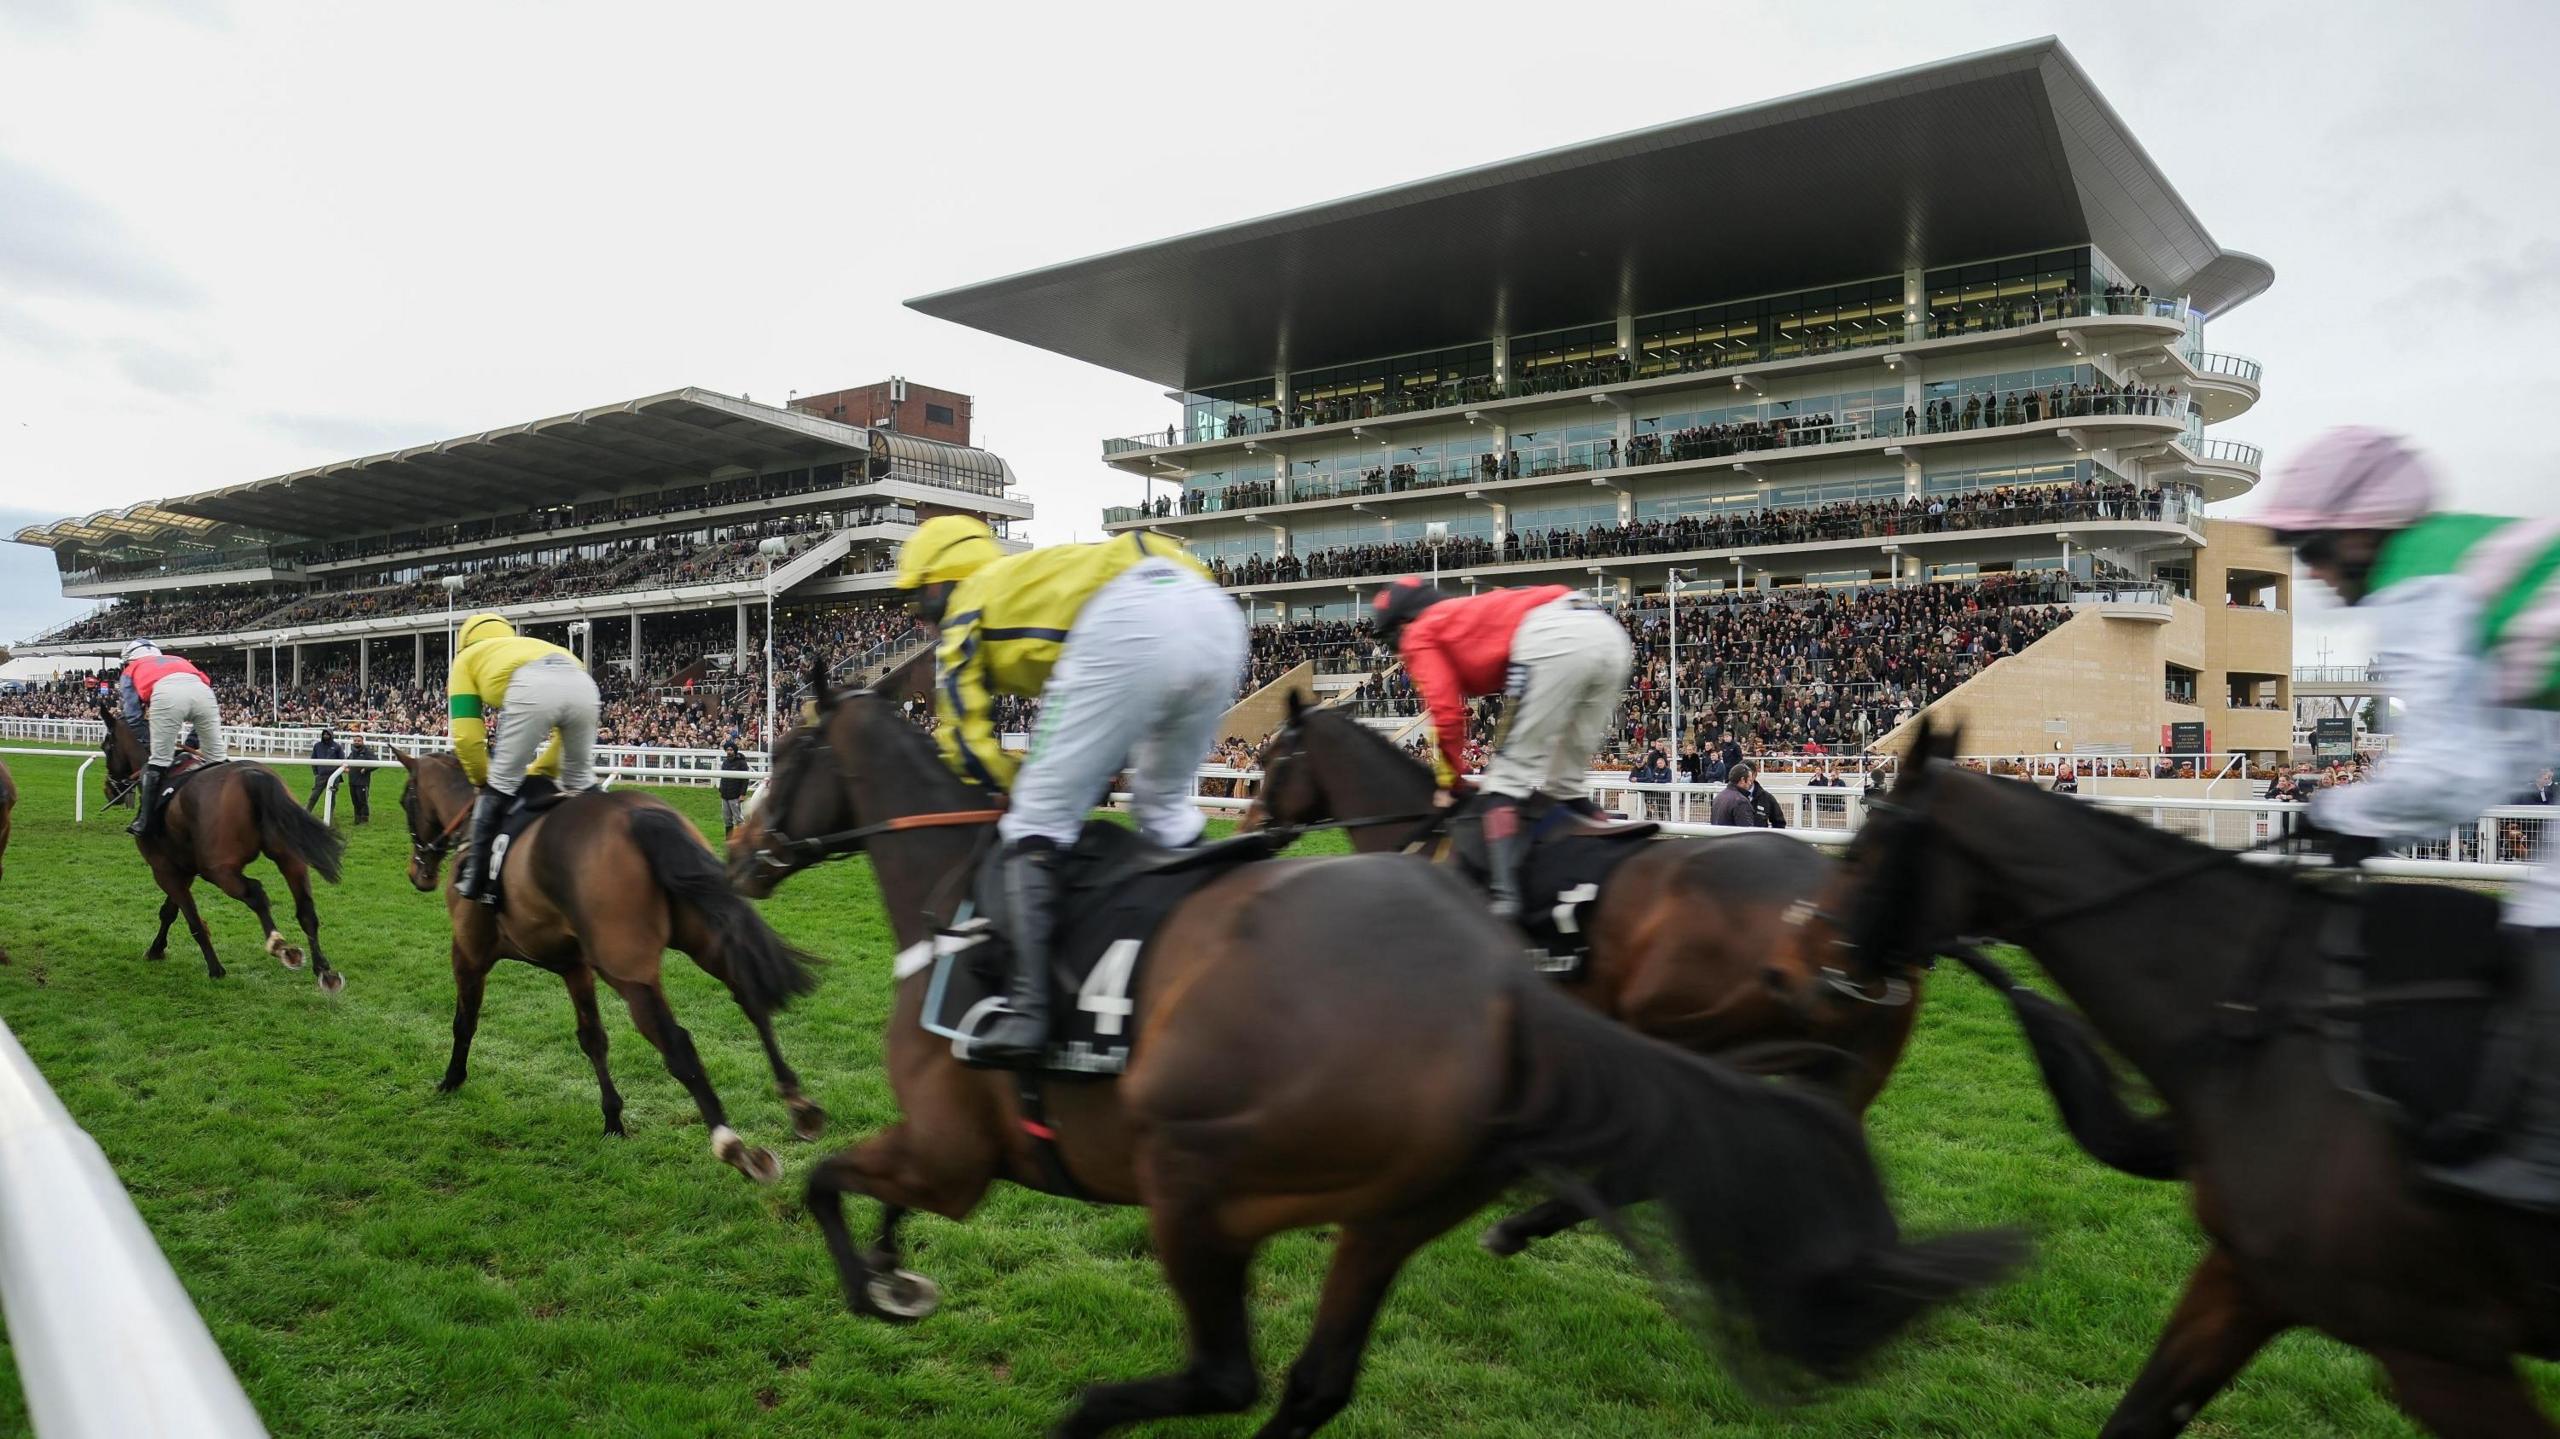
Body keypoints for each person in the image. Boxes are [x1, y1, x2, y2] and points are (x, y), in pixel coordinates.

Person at [2264, 426, 2560, 1211]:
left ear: (2361, 530)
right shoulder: (2461, 555)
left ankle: (2544, 1166)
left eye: (2316, 548)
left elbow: (2452, 767)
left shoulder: (2415, 577)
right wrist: (2364, 818)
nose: (2316, 574)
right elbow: (2499, 758)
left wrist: (2339, 810)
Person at [896, 515, 1244, 1068]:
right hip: (1213, 612)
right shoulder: (1033, 572)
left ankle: (1031, 1013)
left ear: (943, 582)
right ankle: (1223, 946)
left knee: (1035, 821)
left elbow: (964, 745)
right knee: (1164, 809)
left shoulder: (968, 605)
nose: (915, 612)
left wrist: (1018, 784)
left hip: (1130, 621)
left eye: (916, 596)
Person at [1372, 576, 1635, 919]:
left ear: (1403, 624)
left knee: (1504, 782)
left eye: (1393, 639)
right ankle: (1618, 866)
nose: (1397, 650)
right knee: (1566, 785)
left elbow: (1447, 714)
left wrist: (1450, 781)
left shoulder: (1420, 633)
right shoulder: (1460, 614)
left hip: (1553, 639)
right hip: (1607, 632)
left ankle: (1504, 901)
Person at [447, 612, 600, 905]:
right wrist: (540, 772)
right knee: (580, 781)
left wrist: (484, 779)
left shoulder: (466, 659)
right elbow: (560, 745)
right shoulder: (533, 644)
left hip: (532, 686)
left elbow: (467, 736)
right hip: (583, 682)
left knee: (500, 784)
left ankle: (475, 878)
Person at [116, 640, 226, 838]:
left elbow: (132, 715)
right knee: (218, 760)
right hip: (204, 693)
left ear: (128, 660)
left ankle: (144, 821)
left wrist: (150, 743)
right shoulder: (179, 659)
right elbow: (205, 686)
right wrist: (192, 742)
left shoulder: (130, 669)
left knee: (158, 761)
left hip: (167, 695)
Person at [1710, 762, 1786, 828]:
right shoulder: (1740, 801)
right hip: (1741, 843)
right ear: (1743, 779)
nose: (1750, 783)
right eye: (1749, 780)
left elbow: (1779, 823)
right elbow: (1747, 832)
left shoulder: (1719, 797)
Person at [305, 727, 346, 812]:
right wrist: (316, 773)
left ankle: (329, 815)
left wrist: (337, 774)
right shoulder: (317, 746)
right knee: (314, 795)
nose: (326, 736)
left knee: (332, 796)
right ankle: (307, 811)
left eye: (328, 734)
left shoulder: (337, 746)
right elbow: (314, 759)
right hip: (321, 775)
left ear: (331, 735)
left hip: (334, 776)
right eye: (324, 734)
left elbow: (342, 760)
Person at [719, 740, 752, 835]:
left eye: (731, 750)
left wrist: (742, 794)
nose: (729, 752)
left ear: (734, 751)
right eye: (727, 750)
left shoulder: (741, 763)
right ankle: (729, 840)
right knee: (727, 819)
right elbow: (723, 777)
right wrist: (721, 789)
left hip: (735, 795)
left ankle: (743, 839)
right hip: (725, 795)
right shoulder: (725, 763)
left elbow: (745, 780)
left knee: (739, 819)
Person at [343, 733, 375, 824]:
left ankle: (364, 819)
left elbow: (376, 763)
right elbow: (347, 762)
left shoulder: (367, 752)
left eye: (358, 741)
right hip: (352, 780)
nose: (356, 742)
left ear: (362, 742)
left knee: (362, 801)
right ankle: (357, 819)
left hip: (362, 781)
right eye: (355, 741)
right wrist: (346, 768)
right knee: (355, 801)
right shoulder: (352, 753)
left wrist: (366, 769)